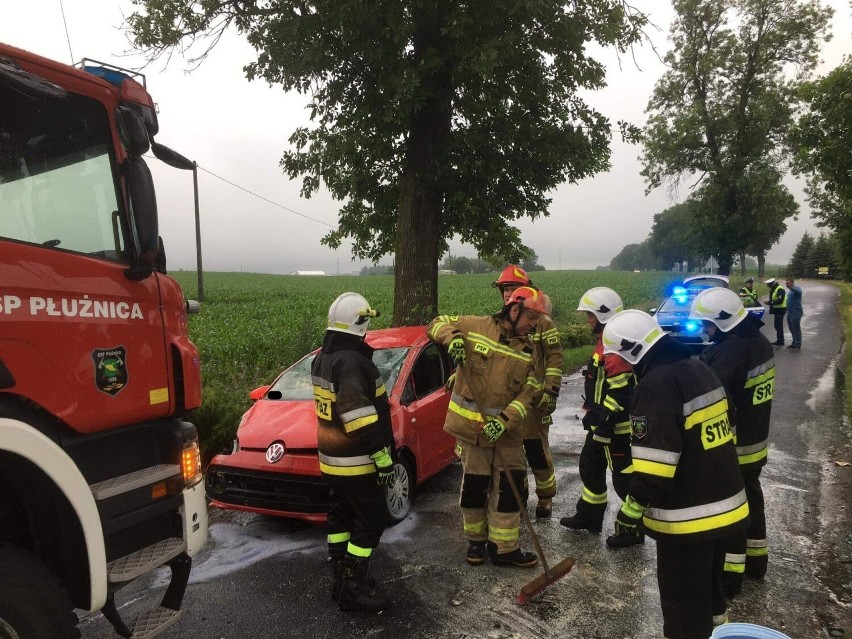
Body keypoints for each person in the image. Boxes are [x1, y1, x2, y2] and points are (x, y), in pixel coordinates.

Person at [602, 310, 749, 639]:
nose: (612, 363)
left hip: (689, 519)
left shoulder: (656, 385)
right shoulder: (699, 368)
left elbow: (656, 467)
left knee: (683, 606)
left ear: (632, 349)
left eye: (614, 355)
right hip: (724, 507)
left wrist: (632, 508)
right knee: (710, 595)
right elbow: (729, 427)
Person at [427, 286, 546, 568]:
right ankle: (476, 543)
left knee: (509, 490)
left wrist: (504, 422)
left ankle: (504, 548)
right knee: (475, 488)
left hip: (508, 435)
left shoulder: (529, 351)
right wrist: (453, 338)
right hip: (473, 432)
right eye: (531, 317)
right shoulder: (475, 326)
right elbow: (435, 323)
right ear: (514, 310)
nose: (534, 325)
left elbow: (529, 392)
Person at [690, 287, 775, 599]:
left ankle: (730, 575)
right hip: (756, 440)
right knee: (752, 497)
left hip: (735, 445)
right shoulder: (758, 341)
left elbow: (712, 396)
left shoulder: (732, 352)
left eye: (707, 324)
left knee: (731, 511)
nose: (705, 330)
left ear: (723, 320)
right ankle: (756, 561)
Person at [312, 292, 394, 612]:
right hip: (357, 463)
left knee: (341, 519)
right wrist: (381, 456)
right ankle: (353, 585)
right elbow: (357, 415)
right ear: (361, 322)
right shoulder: (351, 362)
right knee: (371, 520)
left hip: (332, 462)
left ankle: (341, 581)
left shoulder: (323, 356)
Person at [559, 287, 638, 549]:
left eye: (591, 316)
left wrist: (605, 423)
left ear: (604, 314)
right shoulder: (606, 341)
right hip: (602, 421)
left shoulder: (614, 346)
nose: (588, 321)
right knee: (590, 466)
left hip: (615, 426)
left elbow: (621, 389)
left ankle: (633, 529)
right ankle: (590, 516)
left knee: (623, 476)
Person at [491, 265, 563, 519]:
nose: (509, 293)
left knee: (535, 450)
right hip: (509, 401)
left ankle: (545, 498)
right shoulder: (501, 321)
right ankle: (518, 498)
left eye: (513, 288)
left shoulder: (542, 321)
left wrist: (551, 391)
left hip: (536, 400)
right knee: (512, 455)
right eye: (505, 289)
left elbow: (554, 357)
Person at [764, 278, 787, 345]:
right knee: (777, 325)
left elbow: (780, 301)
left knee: (778, 325)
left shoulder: (780, 289)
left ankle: (780, 341)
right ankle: (779, 340)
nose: (768, 287)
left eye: (768, 285)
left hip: (780, 310)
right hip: (777, 310)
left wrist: (769, 302)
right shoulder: (774, 289)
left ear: (772, 284)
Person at [785, 278, 803, 350]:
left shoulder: (797, 289)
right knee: (791, 328)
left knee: (796, 328)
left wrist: (791, 288)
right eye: (786, 283)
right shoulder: (790, 291)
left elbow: (798, 291)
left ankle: (798, 344)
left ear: (792, 283)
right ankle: (794, 342)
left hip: (796, 311)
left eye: (788, 283)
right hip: (790, 311)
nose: (787, 285)